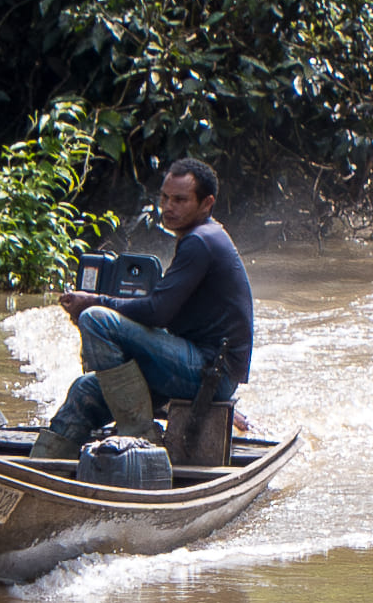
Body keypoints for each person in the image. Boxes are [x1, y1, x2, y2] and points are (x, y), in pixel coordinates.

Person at [42, 160, 253, 463]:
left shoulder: (201, 242)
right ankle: (45, 469)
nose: (168, 207)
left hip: (209, 373)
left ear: (207, 204)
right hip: (199, 369)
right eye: (165, 198)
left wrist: (93, 301)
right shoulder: (198, 239)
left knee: (95, 319)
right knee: (84, 391)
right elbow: (163, 316)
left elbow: (157, 313)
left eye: (180, 200)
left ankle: (140, 436)